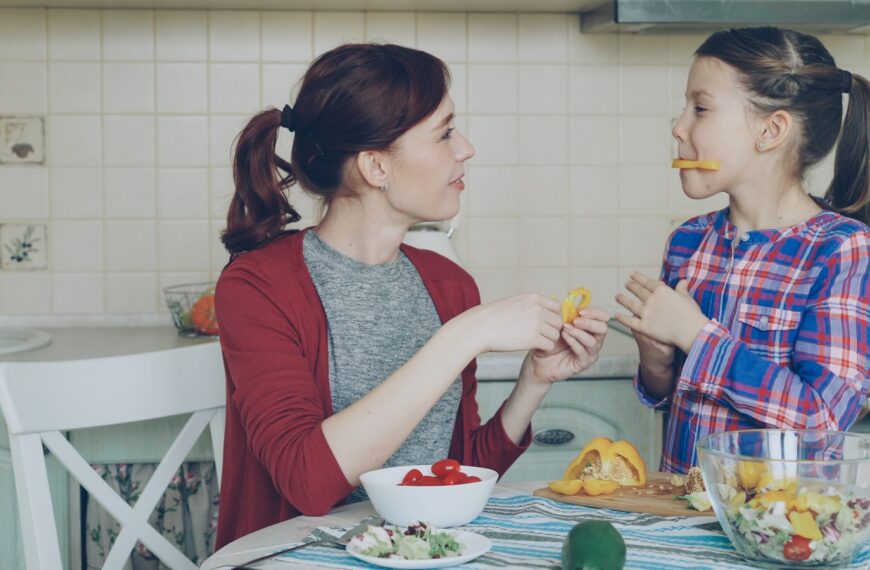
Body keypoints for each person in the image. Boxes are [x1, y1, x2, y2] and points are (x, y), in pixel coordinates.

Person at [214, 43, 610, 546]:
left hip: (425, 553)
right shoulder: (257, 287)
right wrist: (461, 337)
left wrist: (533, 382)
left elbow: (458, 474)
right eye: (444, 134)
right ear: (376, 168)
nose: (465, 148)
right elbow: (306, 481)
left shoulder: (448, 284)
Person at [615, 27, 870, 474]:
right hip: (682, 519)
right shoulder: (688, 241)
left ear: (770, 130)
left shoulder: (843, 250)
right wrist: (656, 362)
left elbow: (823, 419)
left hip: (779, 529)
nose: (678, 127)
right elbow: (674, 397)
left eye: (700, 108)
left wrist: (696, 336)